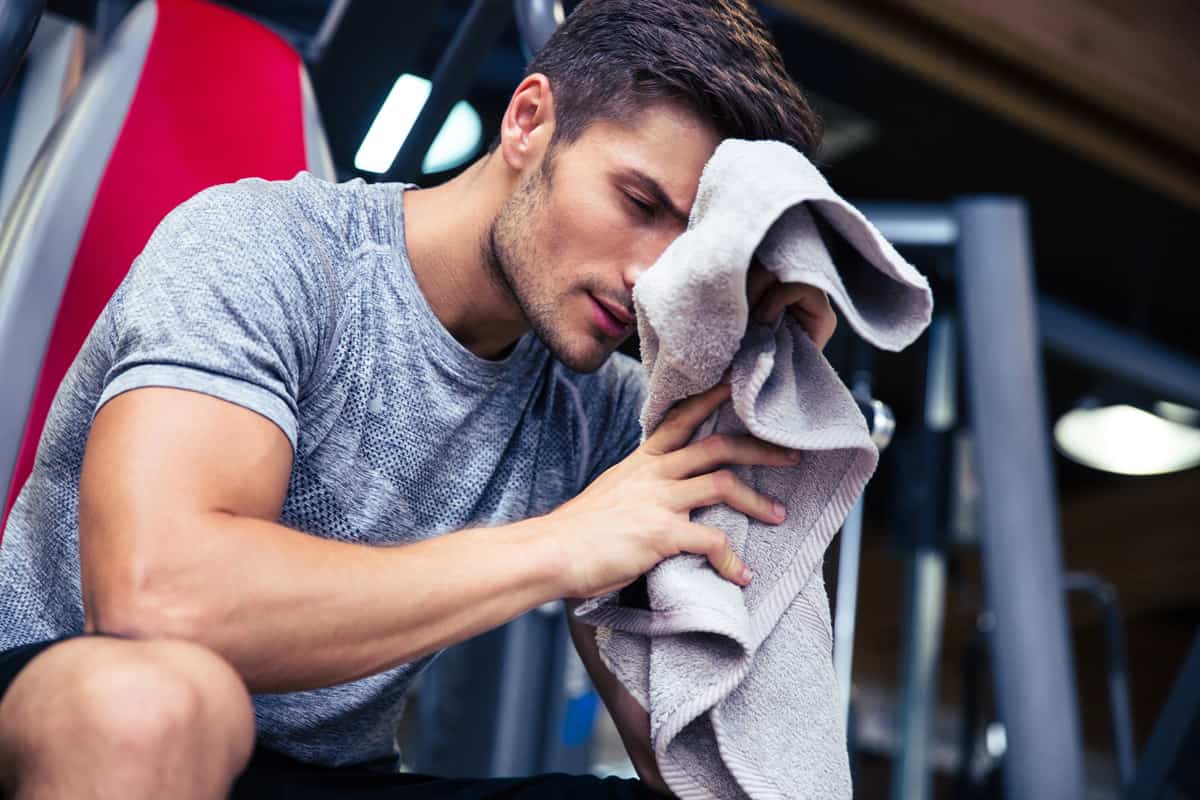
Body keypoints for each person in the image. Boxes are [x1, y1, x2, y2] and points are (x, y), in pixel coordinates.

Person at [0, 1, 836, 797]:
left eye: (692, 250)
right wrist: (560, 545)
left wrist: (760, 366)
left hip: (329, 778)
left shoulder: (613, 418)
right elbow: (157, 601)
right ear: (528, 121)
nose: (652, 277)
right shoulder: (266, 248)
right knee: (153, 709)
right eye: (639, 203)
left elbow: (700, 767)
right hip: (73, 708)